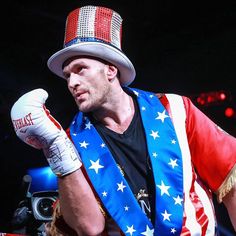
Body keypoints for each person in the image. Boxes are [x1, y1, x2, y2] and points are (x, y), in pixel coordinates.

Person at [10, 5, 236, 236]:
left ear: (110, 70)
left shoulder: (177, 109)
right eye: (68, 75)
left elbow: (231, 180)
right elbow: (89, 228)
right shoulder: (70, 142)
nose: (71, 82)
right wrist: (56, 150)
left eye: (80, 69)